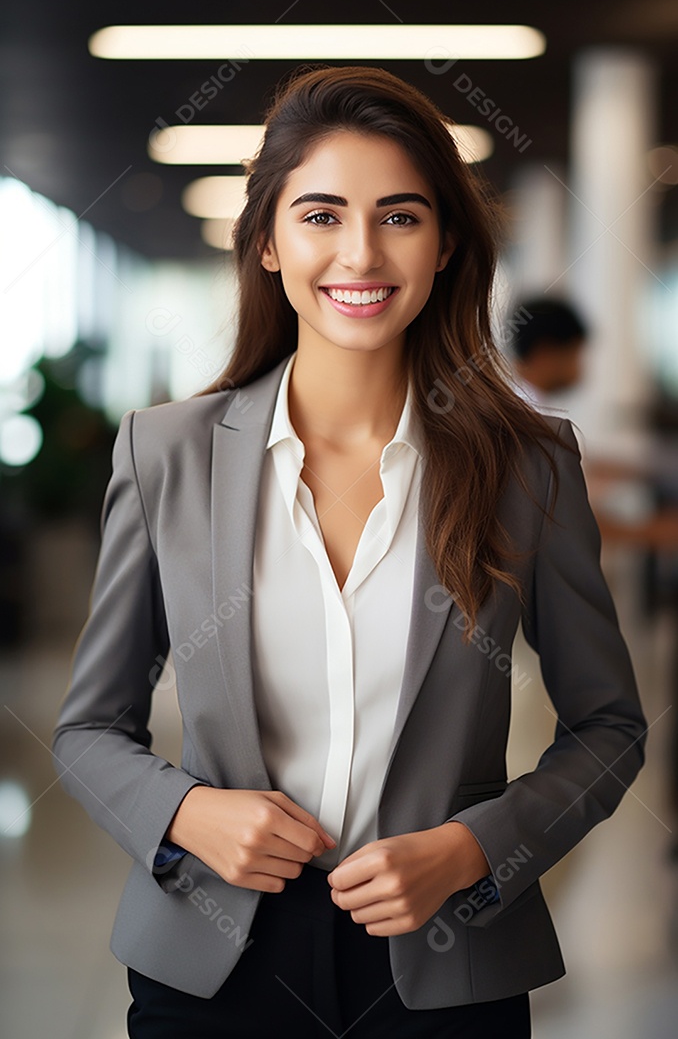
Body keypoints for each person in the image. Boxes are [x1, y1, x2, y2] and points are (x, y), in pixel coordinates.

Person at [52, 65, 647, 1038]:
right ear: (269, 244)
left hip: (449, 951)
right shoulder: (166, 455)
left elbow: (609, 728)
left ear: (448, 243)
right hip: (213, 959)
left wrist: (473, 848)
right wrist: (186, 814)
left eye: (401, 217)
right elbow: (85, 732)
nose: (360, 253)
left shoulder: (529, 467)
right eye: (321, 215)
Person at [506, 296, 589, 412]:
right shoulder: (527, 415)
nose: (580, 366)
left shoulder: (517, 404)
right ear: (545, 354)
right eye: (574, 354)